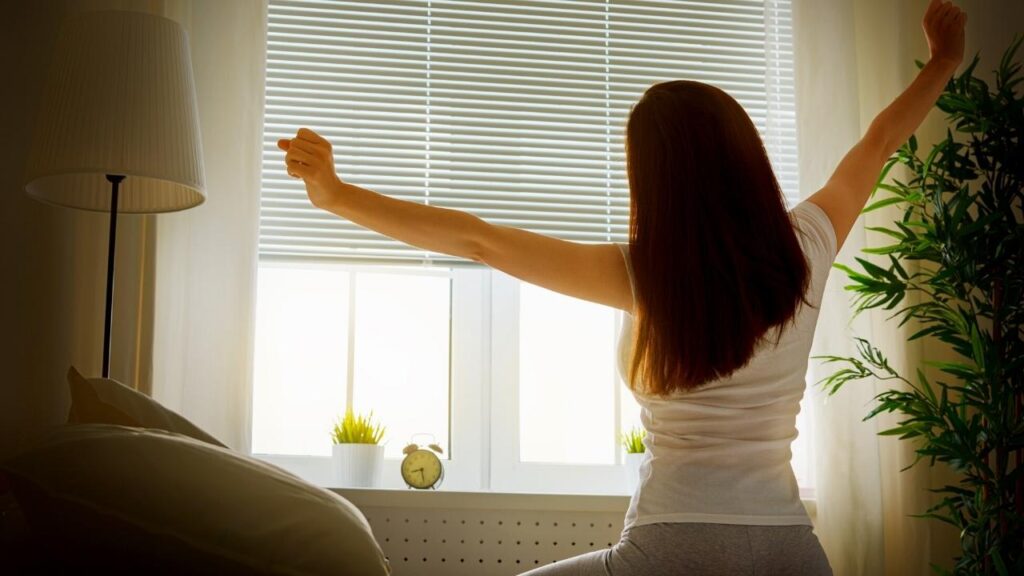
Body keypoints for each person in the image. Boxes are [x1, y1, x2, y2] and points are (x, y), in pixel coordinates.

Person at [277, 0, 966, 573]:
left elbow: (478, 237)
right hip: (793, 549)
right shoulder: (808, 245)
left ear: (655, 184)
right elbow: (877, 142)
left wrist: (337, 197)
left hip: (674, 546)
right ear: (746, 158)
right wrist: (942, 62)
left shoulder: (643, 274)